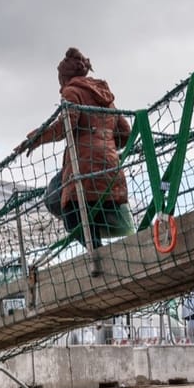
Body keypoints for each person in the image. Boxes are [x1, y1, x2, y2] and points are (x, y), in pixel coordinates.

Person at [17, 48, 132, 248]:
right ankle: (96, 248)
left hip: (83, 167)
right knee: (83, 206)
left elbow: (65, 126)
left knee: (56, 199)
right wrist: (105, 144)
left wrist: (34, 139)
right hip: (110, 169)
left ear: (64, 77)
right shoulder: (106, 97)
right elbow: (125, 134)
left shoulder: (72, 91)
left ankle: (95, 250)